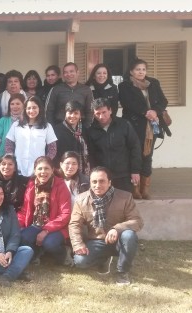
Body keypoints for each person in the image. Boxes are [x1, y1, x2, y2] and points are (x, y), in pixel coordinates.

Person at [70, 167, 143, 285]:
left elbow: (137, 220)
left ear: (109, 182)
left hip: (119, 240)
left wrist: (117, 229)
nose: (97, 185)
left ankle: (122, 272)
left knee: (129, 235)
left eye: (102, 181)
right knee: (80, 261)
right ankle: (104, 259)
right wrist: (78, 244)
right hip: (96, 241)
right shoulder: (81, 199)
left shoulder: (125, 197)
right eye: (94, 182)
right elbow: (74, 224)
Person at [118, 58, 169, 200]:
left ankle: (145, 188)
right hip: (134, 125)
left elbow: (163, 101)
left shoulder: (153, 83)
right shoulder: (124, 85)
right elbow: (127, 103)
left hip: (151, 126)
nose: (141, 72)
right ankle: (134, 187)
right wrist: (146, 112)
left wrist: (155, 111)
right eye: (137, 69)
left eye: (143, 69)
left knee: (147, 155)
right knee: (134, 155)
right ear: (131, 71)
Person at [17, 156, 72, 265]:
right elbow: (25, 209)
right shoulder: (32, 185)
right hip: (36, 224)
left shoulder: (60, 185)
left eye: (46, 168)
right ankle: (37, 253)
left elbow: (65, 214)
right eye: (40, 169)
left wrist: (46, 230)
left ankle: (64, 254)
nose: (43, 172)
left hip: (57, 226)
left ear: (52, 170)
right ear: (35, 170)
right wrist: (17, 225)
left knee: (50, 243)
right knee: (22, 237)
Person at [88, 98, 141, 194]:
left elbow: (135, 147)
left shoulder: (124, 125)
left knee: (124, 204)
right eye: (98, 113)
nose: (101, 116)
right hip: (103, 177)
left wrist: (135, 171)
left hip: (123, 175)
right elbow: (91, 155)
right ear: (93, 114)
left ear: (110, 110)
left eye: (104, 112)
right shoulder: (91, 131)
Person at [5, 96, 58, 177]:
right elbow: (9, 144)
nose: (31, 111)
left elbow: (52, 149)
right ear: (25, 110)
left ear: (39, 108)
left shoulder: (47, 126)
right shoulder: (17, 125)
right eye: (29, 108)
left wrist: (44, 163)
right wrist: (12, 160)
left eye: (34, 108)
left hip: (38, 172)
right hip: (18, 169)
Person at [45, 62, 94, 127]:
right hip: (59, 127)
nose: (68, 74)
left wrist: (87, 127)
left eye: (71, 71)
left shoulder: (86, 90)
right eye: (65, 72)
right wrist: (52, 128)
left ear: (77, 72)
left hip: (81, 127)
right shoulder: (56, 89)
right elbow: (49, 111)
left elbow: (90, 111)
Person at [52, 101, 90, 175]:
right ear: (65, 113)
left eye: (76, 113)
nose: (72, 116)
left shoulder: (85, 131)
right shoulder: (57, 130)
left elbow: (90, 152)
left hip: (83, 172)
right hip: (64, 172)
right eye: (70, 113)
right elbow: (54, 153)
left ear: (80, 115)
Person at [0, 93, 25, 175]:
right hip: (5, 162)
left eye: (18, 104)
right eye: (12, 104)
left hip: (23, 162)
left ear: (24, 105)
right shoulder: (2, 121)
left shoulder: (28, 122)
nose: (15, 106)